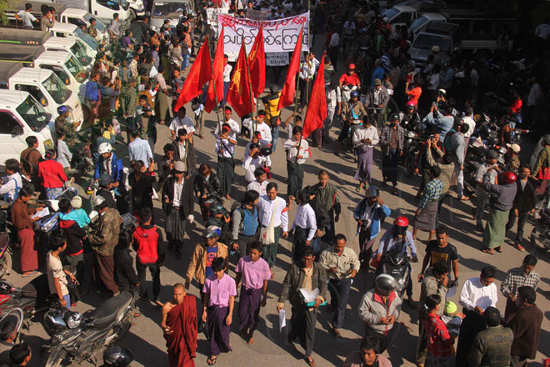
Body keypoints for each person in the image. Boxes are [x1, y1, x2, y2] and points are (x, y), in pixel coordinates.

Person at [278, 247, 328, 367]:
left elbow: (323, 284)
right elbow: (287, 284)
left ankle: (308, 353)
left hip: (312, 304)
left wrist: (320, 298)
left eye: (309, 260)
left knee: (310, 329)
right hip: (298, 302)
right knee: (296, 323)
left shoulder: (319, 269)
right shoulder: (295, 268)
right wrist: (281, 301)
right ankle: (292, 336)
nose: (306, 262)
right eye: (304, 259)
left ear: (313, 258)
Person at [456, 266, 498, 367]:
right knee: (465, 342)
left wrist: (489, 311)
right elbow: (462, 299)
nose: (488, 284)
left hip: (484, 320)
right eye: (487, 281)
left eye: (491, 282)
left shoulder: (493, 287)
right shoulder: (470, 283)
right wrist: (474, 307)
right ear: (481, 277)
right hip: (470, 317)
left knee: (478, 345)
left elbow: (494, 301)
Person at [319, 234, 360, 337]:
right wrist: (329, 269)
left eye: (342, 246)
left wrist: (355, 270)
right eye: (338, 246)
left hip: (345, 280)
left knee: (342, 303)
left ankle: (336, 326)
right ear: (334, 244)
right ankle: (333, 306)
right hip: (332, 280)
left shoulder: (350, 252)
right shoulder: (326, 253)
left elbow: (356, 262)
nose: (340, 249)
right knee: (335, 298)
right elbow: (320, 266)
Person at [235, 241, 271, 344]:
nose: (252, 255)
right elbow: (238, 275)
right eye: (250, 252)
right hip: (245, 289)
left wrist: (264, 297)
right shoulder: (243, 260)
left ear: (260, 253)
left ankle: (250, 333)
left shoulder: (264, 265)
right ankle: (243, 327)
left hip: (256, 292)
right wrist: (234, 288)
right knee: (242, 312)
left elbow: (265, 282)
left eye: (255, 253)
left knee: (253, 313)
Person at [202, 257, 236, 365]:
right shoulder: (209, 280)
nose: (217, 273)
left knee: (224, 331)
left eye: (219, 270)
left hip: (224, 310)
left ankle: (224, 343)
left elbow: (231, 298)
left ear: (224, 269)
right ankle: (213, 353)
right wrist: (204, 310)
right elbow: (206, 296)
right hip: (212, 309)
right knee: (212, 332)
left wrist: (230, 314)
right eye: (215, 270)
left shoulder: (230, 281)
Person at [88, 195, 122, 296]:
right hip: (114, 244)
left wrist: (90, 237)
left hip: (104, 249)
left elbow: (103, 238)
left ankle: (114, 292)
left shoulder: (106, 219)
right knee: (109, 270)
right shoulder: (114, 212)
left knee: (105, 273)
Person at [359, 274, 402, 353]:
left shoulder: (394, 294)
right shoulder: (368, 297)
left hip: (389, 330)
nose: (392, 292)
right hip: (373, 331)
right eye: (390, 290)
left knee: (382, 349)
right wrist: (378, 319)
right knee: (369, 352)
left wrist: (394, 316)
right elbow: (362, 313)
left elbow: (398, 306)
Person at [417, 262, 449, 366]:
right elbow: (435, 302)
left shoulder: (434, 277)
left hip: (431, 315)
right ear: (438, 274)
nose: (446, 277)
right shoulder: (430, 284)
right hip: (428, 315)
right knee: (425, 338)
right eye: (444, 275)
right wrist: (443, 287)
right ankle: (420, 360)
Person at [161, 284, 198, 367]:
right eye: (175, 294)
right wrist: (165, 328)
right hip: (174, 336)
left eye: (179, 294)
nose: (177, 297)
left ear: (184, 294)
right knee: (175, 357)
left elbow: (193, 322)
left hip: (186, 338)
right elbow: (163, 322)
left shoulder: (189, 302)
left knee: (185, 361)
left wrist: (194, 338)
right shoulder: (167, 307)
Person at [481, 171, 518, 254]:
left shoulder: (501, 189)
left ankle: (490, 248)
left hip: (497, 210)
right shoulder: (514, 185)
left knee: (492, 228)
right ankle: (500, 245)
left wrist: (487, 174)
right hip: (506, 210)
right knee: (501, 228)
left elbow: (486, 185)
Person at [163, 161, 194, 258]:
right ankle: (171, 242)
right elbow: (165, 192)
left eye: (179, 173)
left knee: (180, 231)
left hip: (182, 210)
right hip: (171, 208)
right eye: (176, 172)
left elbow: (190, 199)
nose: (177, 175)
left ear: (183, 173)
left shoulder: (188, 184)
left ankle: (178, 248)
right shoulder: (169, 181)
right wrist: (166, 198)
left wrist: (191, 213)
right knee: (169, 229)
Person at [132, 208, 164, 303]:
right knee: (156, 277)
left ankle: (144, 294)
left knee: (142, 277)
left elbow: (135, 246)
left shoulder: (136, 231)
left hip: (141, 258)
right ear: (150, 218)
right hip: (154, 259)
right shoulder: (156, 231)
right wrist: (161, 260)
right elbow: (161, 248)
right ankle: (156, 296)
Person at [58, 198, 86, 303]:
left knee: (68, 272)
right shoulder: (72, 224)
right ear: (70, 208)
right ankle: (76, 296)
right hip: (76, 250)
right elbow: (82, 234)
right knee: (77, 274)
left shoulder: (60, 221)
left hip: (66, 250)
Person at [353, 186, 391, 265]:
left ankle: (365, 262)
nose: (373, 200)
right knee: (362, 246)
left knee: (367, 248)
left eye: (375, 198)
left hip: (372, 231)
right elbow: (356, 212)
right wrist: (358, 220)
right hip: (363, 229)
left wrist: (382, 204)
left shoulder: (378, 206)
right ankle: (365, 256)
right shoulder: (362, 203)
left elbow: (388, 213)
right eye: (372, 198)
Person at [507, 286, 543, 367]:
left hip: (518, 350)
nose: (517, 298)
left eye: (519, 296)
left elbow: (513, 333)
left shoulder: (523, 315)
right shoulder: (538, 312)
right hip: (528, 348)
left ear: (525, 300)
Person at [185, 226, 229, 291]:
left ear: (217, 238)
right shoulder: (200, 247)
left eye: (211, 238)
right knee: (204, 297)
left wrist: (226, 279)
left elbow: (226, 265)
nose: (208, 240)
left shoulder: (223, 248)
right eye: (206, 238)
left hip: (217, 278)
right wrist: (188, 278)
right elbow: (193, 263)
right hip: (204, 278)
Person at [257, 182, 288, 268]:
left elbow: (284, 215)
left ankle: (270, 264)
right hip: (264, 227)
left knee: (273, 247)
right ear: (266, 192)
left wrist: (285, 229)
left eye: (273, 193)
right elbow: (257, 208)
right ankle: (263, 263)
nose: (271, 195)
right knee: (264, 246)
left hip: (275, 228)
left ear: (276, 192)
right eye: (269, 193)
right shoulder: (261, 199)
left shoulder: (282, 202)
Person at [309, 170, 341, 251]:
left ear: (328, 179)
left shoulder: (332, 189)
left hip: (328, 214)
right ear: (319, 178)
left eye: (325, 179)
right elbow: (308, 201)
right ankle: (316, 252)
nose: (323, 181)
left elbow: (337, 202)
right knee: (317, 234)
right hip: (318, 215)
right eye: (321, 179)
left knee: (330, 233)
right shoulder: (314, 189)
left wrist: (337, 214)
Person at [506, 166, 537, 251]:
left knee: (521, 227)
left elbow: (533, 196)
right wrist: (515, 208)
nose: (526, 173)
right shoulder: (515, 182)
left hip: (526, 207)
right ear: (520, 172)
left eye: (528, 172)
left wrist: (533, 207)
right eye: (524, 172)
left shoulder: (531, 183)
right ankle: (502, 235)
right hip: (516, 206)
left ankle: (518, 242)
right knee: (510, 223)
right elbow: (513, 196)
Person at [501, 255, 539, 322]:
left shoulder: (536, 277)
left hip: (525, 307)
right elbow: (504, 286)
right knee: (508, 322)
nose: (527, 270)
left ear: (534, 267)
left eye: (529, 268)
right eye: (525, 267)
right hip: (512, 303)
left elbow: (534, 291)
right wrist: (509, 294)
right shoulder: (512, 272)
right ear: (523, 263)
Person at [11, 186, 38, 276]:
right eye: (28, 196)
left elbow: (25, 213)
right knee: (26, 250)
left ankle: (30, 268)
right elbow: (19, 222)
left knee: (30, 249)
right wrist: (32, 220)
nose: (29, 198)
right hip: (24, 230)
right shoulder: (16, 207)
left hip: (28, 229)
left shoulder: (21, 203)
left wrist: (34, 211)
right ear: (23, 196)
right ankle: (26, 270)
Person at [424, 294, 455, 367]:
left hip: (432, 349)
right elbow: (446, 340)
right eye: (439, 303)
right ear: (436, 306)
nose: (440, 305)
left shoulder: (427, 316)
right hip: (441, 353)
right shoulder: (439, 324)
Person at [47, 236, 77, 309]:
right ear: (59, 248)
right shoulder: (55, 263)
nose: (66, 246)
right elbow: (56, 281)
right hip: (62, 291)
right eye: (65, 244)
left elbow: (59, 269)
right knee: (65, 310)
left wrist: (69, 274)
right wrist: (61, 299)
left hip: (55, 286)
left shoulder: (50, 253)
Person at [414, 166, 443, 242]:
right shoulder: (440, 183)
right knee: (432, 221)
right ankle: (429, 239)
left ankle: (414, 235)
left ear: (432, 174)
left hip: (428, 204)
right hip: (435, 204)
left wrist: (420, 208)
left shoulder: (429, 185)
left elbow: (425, 199)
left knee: (418, 219)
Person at [352, 116, 379, 192]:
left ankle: (367, 182)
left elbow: (376, 140)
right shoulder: (358, 129)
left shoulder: (373, 129)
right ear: (363, 123)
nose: (367, 126)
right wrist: (361, 140)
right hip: (361, 150)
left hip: (369, 150)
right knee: (361, 168)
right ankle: (360, 183)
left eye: (369, 124)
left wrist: (371, 141)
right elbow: (354, 140)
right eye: (366, 124)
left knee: (368, 168)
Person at [474, 150, 499, 231]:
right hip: (483, 191)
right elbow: (478, 180)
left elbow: (496, 177)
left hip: (492, 191)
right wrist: (486, 186)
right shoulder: (482, 167)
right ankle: (478, 222)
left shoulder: (495, 166)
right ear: (489, 159)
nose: (496, 160)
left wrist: (496, 187)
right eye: (494, 158)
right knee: (481, 206)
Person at [231, 190, 260, 259]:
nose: (258, 201)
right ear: (250, 201)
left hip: (253, 237)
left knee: (250, 256)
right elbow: (235, 227)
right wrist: (234, 241)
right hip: (242, 238)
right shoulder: (238, 212)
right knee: (242, 257)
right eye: (256, 199)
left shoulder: (255, 208)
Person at [284, 126, 310, 202]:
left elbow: (308, 153)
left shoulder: (304, 142)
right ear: (293, 134)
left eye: (299, 135)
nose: (297, 136)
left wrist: (302, 156)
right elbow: (285, 146)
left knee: (299, 181)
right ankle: (290, 196)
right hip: (291, 164)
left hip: (300, 165)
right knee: (292, 181)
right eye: (296, 134)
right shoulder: (290, 141)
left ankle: (298, 196)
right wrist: (293, 145)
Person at [380, 114, 405, 191]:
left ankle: (394, 184)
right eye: (394, 120)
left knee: (394, 168)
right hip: (387, 150)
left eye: (397, 121)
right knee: (386, 166)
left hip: (396, 151)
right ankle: (385, 180)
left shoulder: (401, 130)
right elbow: (382, 139)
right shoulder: (386, 128)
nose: (395, 122)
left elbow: (402, 140)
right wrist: (387, 142)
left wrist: (401, 149)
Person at [291, 190, 317, 261]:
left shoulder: (309, 211)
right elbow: (297, 218)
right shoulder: (300, 206)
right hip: (298, 231)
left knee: (302, 251)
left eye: (298, 198)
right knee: (295, 249)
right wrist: (292, 228)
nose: (297, 200)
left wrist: (308, 239)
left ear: (302, 199)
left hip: (304, 233)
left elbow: (313, 227)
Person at [216, 124, 236, 200]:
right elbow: (216, 149)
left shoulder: (231, 137)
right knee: (219, 176)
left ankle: (227, 193)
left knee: (228, 177)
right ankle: (220, 192)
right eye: (224, 130)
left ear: (229, 131)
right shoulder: (218, 138)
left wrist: (227, 138)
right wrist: (219, 151)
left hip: (228, 159)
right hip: (221, 159)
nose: (225, 132)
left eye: (226, 130)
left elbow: (234, 143)